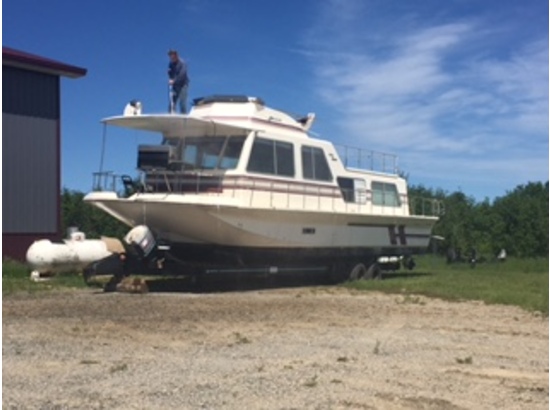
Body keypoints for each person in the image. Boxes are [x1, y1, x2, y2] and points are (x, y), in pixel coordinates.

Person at [167, 49, 189, 114]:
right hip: (175, 86)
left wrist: (174, 81)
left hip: (183, 85)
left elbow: (182, 75)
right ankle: (170, 116)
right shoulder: (171, 64)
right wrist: (170, 75)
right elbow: (170, 73)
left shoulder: (182, 63)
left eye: (172, 56)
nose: (171, 58)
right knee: (172, 103)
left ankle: (184, 117)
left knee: (182, 102)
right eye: (170, 56)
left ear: (176, 55)